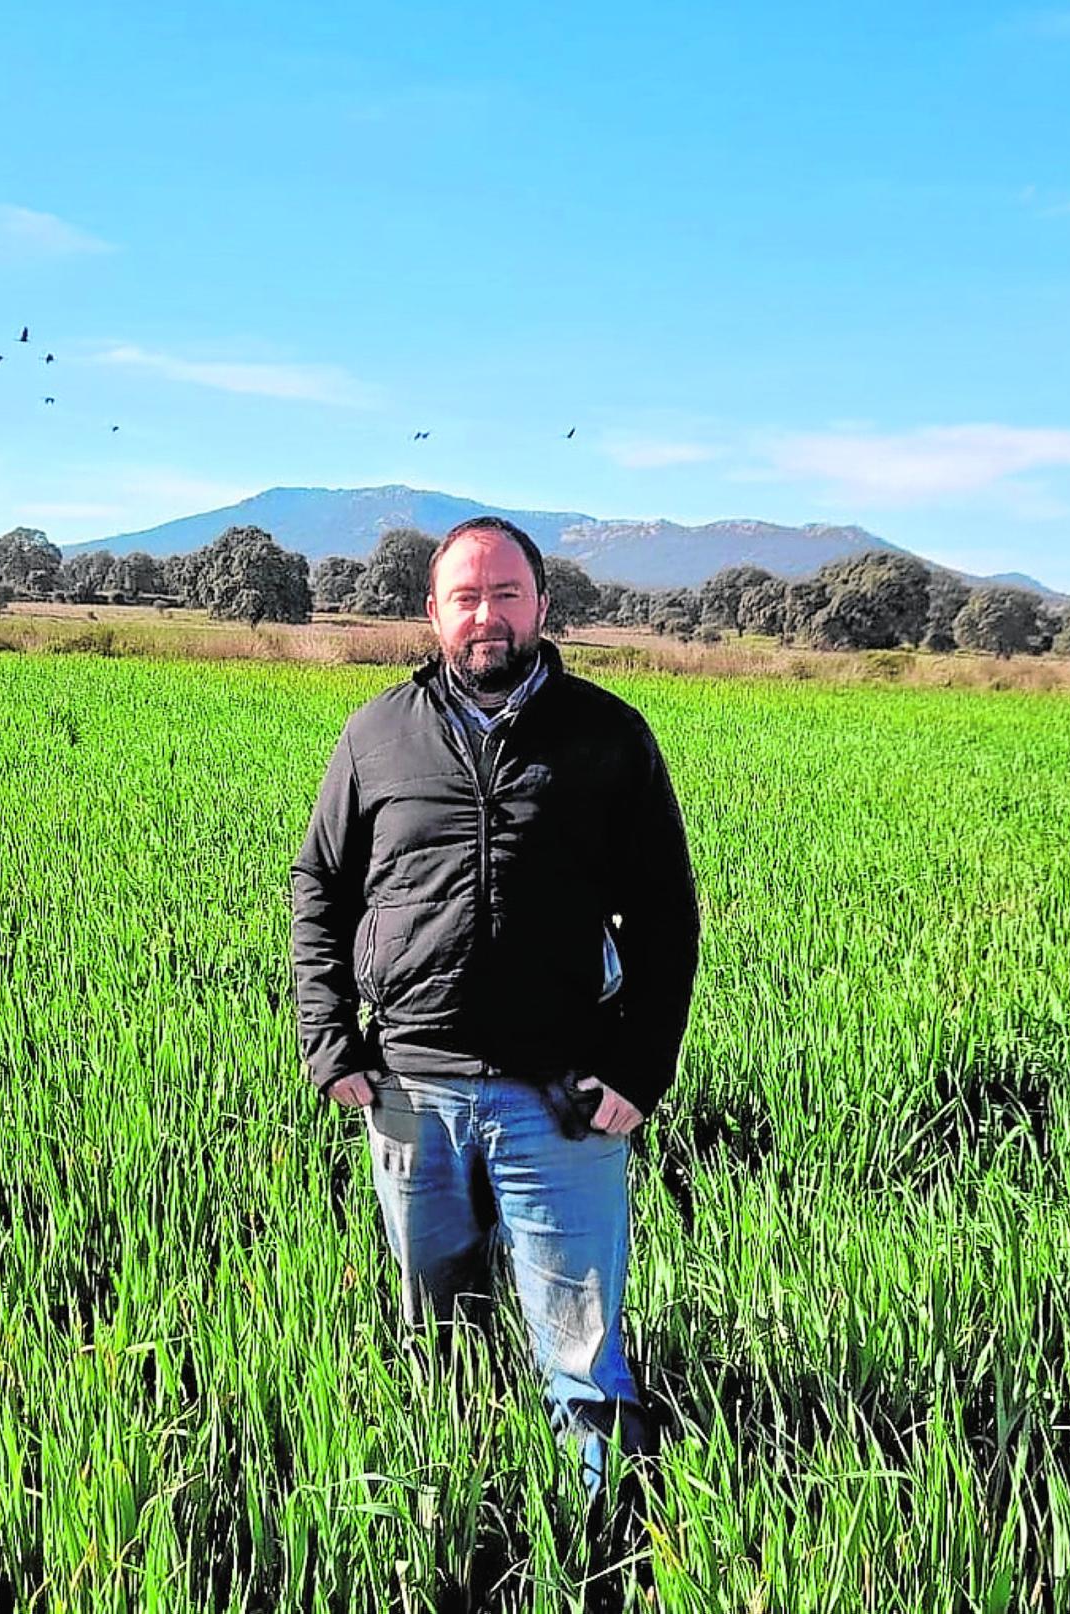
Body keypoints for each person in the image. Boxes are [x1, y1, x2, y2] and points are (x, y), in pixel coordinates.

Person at [291, 516, 699, 1499]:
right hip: (406, 1089)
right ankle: (446, 1513)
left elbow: (664, 914)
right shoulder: (376, 734)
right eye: (466, 597)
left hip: (562, 1093)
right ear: (432, 613)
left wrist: (640, 1068)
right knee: (433, 1330)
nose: (487, 615)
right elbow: (322, 885)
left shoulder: (607, 737)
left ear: (542, 607)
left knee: (582, 1361)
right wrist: (329, 1038)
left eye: (506, 594)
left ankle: (600, 1552)